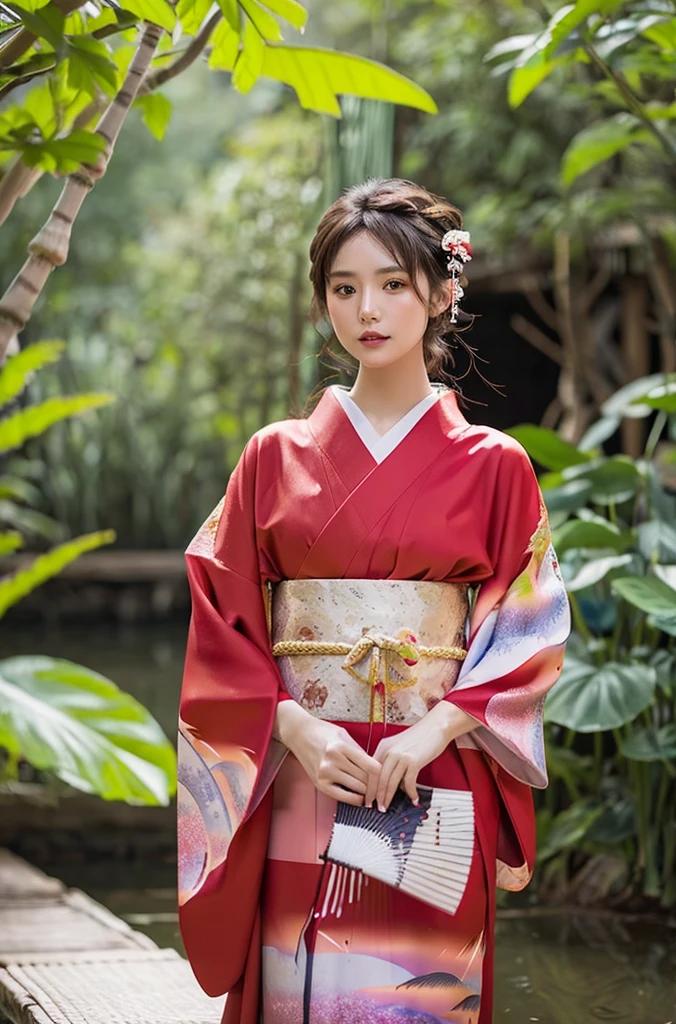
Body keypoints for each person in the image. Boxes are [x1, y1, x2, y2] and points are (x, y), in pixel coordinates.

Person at [177, 177, 570, 1024]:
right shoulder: (272, 456)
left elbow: (529, 626)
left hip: (435, 774)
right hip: (305, 768)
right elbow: (222, 617)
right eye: (344, 288)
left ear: (440, 291)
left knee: (420, 994)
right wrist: (294, 725)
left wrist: (435, 729)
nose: (369, 309)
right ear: (324, 302)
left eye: (393, 284)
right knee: (302, 983)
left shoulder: (495, 463)